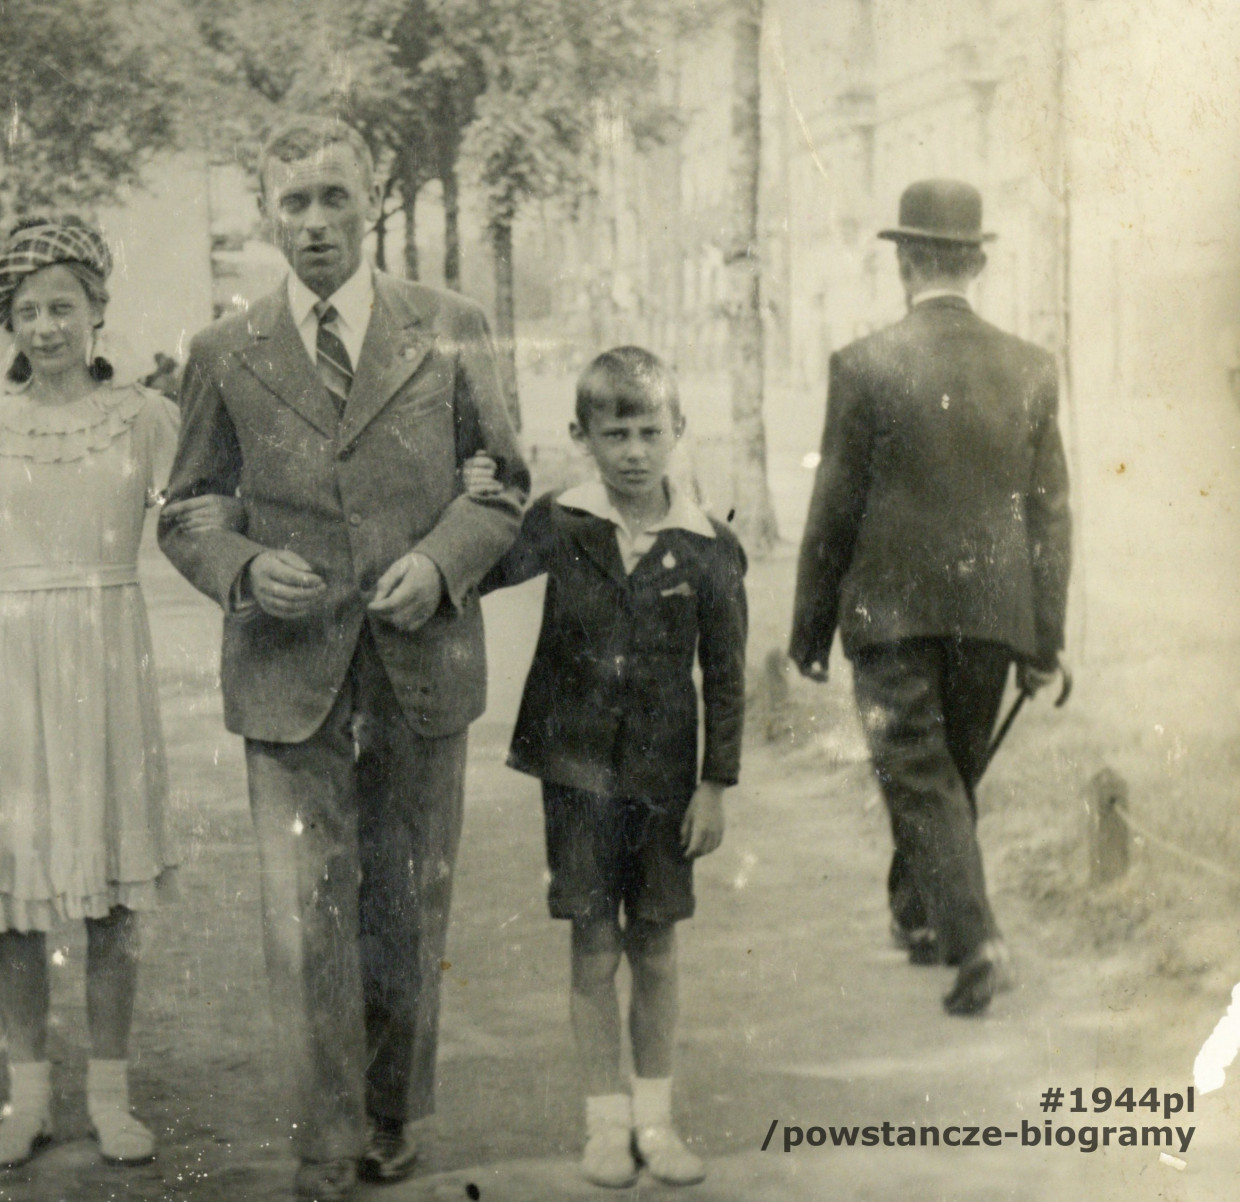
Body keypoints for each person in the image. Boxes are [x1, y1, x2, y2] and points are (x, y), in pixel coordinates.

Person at [157, 116, 528, 1202]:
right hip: (289, 669)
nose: (315, 222)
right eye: (293, 203)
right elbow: (186, 507)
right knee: (303, 909)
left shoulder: (450, 327)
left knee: (407, 898)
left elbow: (501, 479)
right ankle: (320, 1135)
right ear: (265, 216)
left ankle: (393, 1114)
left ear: (374, 200)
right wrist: (239, 566)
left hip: (418, 661)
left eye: (333, 197)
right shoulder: (225, 351)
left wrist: (442, 560)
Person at [0, 217, 222, 1171]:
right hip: (4, 666)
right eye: (26, 312)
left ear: (99, 311)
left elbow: (206, 517)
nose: (46, 326)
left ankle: (110, 1095)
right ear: (8, 328)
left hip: (106, 660)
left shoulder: (145, 419)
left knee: (109, 893)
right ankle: (26, 1099)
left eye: (63, 305)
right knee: (10, 896)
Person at [789, 179, 1071, 1017]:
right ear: (977, 261)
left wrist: (807, 630)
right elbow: (1050, 516)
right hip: (992, 616)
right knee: (947, 770)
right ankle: (918, 915)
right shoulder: (1031, 367)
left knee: (917, 773)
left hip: (891, 615)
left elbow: (832, 508)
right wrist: (1043, 642)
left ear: (904, 261)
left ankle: (975, 939)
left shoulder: (863, 365)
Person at [467, 348, 745, 1188]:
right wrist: (476, 497)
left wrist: (714, 785)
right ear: (580, 436)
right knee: (593, 947)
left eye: (649, 431)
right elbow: (481, 567)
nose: (632, 450)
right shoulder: (561, 522)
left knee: (655, 948)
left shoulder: (707, 546)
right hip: (579, 778)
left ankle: (657, 1123)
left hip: (665, 787)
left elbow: (726, 677)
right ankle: (604, 1124)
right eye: (613, 432)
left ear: (678, 433)